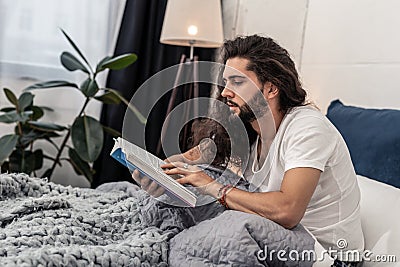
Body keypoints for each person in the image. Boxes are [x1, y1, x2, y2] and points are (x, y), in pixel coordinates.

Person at [133, 35, 364, 266]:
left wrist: (212, 186)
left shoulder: (308, 128)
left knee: (220, 204)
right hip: (280, 238)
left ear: (271, 88)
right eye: (225, 82)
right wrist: (162, 174)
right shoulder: (245, 127)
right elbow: (191, 158)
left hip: (326, 255)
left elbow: (288, 211)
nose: (225, 92)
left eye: (237, 82)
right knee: (191, 187)